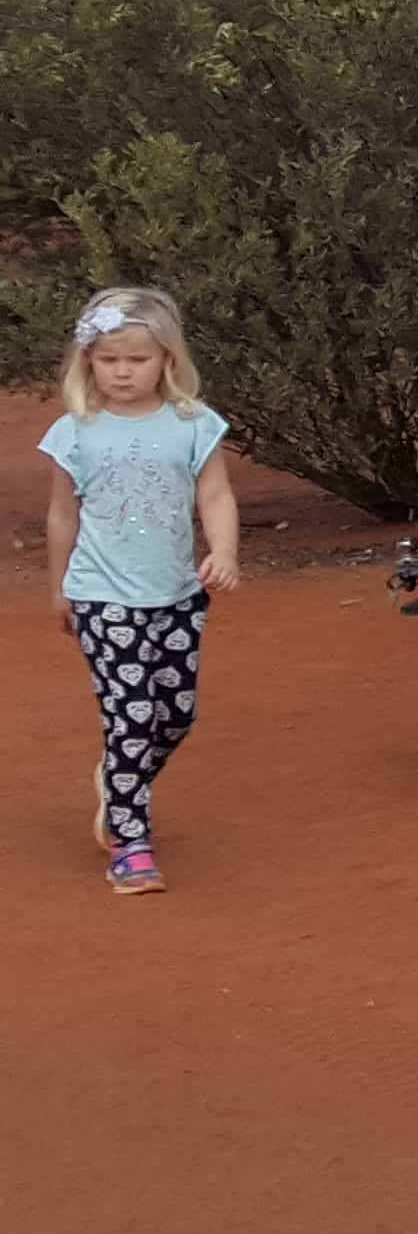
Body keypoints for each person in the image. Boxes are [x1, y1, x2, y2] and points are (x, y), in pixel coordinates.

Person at [40, 286, 236, 895]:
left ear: (167, 361)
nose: (122, 371)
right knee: (132, 713)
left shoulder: (193, 424)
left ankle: (118, 779)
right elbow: (60, 516)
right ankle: (131, 843)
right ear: (88, 362)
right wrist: (59, 590)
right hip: (101, 593)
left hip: (177, 593)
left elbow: (215, 495)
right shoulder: (75, 431)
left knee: (176, 715)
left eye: (137, 359)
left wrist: (223, 551)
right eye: (108, 359)